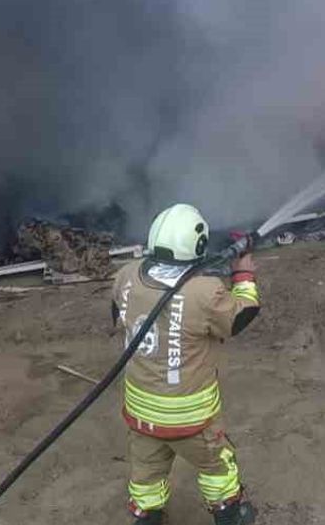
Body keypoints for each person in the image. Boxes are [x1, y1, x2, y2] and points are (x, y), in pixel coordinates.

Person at [111, 203, 260, 525]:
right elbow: (241, 316)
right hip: (189, 417)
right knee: (217, 465)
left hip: (141, 412)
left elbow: (118, 314)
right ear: (199, 245)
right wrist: (243, 272)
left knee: (147, 471)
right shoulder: (205, 292)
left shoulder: (126, 275)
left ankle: (147, 516)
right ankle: (229, 513)